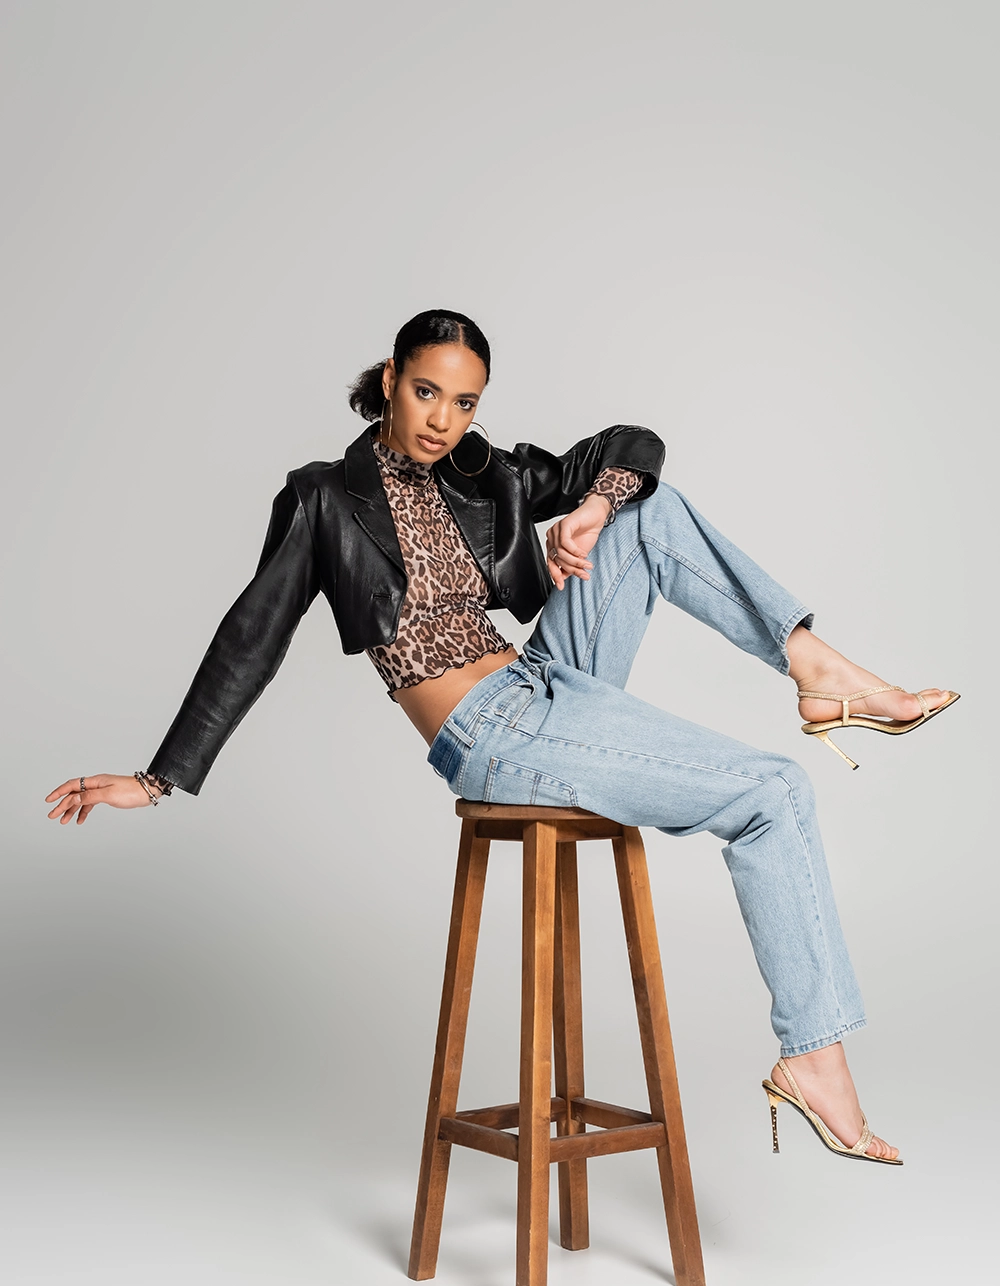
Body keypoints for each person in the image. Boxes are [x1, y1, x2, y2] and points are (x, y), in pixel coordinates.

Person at [46, 308, 959, 1165]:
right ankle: (815, 1059)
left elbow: (631, 447)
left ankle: (813, 667)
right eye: (426, 392)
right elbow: (252, 634)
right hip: (492, 731)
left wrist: (592, 509)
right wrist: (157, 779)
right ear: (391, 380)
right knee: (775, 791)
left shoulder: (484, 474)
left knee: (646, 506)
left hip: (545, 678)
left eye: (465, 401)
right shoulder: (324, 498)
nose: (443, 420)